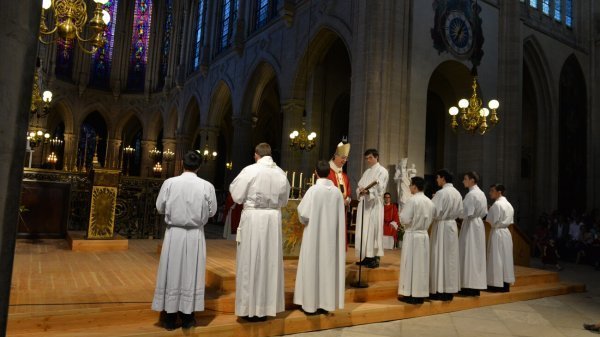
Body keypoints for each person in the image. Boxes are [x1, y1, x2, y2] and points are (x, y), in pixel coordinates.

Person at [152, 150, 217, 330]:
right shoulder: (207, 186)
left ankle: (170, 318)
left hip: (175, 233)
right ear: (199, 166)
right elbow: (212, 212)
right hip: (195, 234)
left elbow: (159, 207)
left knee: (172, 272)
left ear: (182, 163)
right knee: (191, 273)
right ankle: (188, 317)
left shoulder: (170, 183)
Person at [229, 143, 290, 321]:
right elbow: (285, 200)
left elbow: (237, 195)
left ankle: (249, 308)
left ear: (256, 155)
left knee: (250, 261)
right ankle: (264, 308)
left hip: (254, 218)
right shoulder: (280, 173)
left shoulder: (250, 170)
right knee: (269, 262)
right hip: (272, 220)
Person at [294, 160, 346, 314]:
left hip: (314, 235)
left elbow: (303, 213)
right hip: (330, 238)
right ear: (329, 173)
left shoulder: (313, 190)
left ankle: (310, 304)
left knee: (312, 265)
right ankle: (325, 303)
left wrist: (305, 221)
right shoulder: (337, 192)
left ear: (315, 172)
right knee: (327, 267)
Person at [398, 176, 434, 304]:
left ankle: (410, 293)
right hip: (423, 235)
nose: (409, 187)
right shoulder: (429, 201)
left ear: (414, 186)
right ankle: (419, 293)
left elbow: (405, 219)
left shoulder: (412, 200)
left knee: (411, 264)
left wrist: (401, 218)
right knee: (421, 266)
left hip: (413, 235)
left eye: (410, 185)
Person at [429, 169, 463, 301]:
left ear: (443, 178)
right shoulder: (457, 193)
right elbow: (461, 212)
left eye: (438, 178)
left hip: (442, 226)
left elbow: (434, 211)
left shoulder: (441, 193)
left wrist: (432, 200)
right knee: (450, 258)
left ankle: (439, 289)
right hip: (452, 226)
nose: (437, 180)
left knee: (439, 255)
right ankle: (449, 290)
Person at [355, 148, 389, 269]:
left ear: (376, 157)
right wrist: (360, 190)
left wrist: (368, 191)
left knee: (373, 231)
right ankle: (366, 256)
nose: (368, 160)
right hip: (365, 205)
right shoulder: (367, 172)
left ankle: (375, 258)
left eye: (370, 158)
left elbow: (380, 188)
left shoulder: (382, 171)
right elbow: (359, 185)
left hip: (374, 205)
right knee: (364, 231)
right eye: (366, 158)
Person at [458, 171, 488, 297]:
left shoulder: (471, 195)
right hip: (479, 225)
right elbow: (485, 212)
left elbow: (465, 213)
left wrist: (457, 213)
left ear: (472, 180)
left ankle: (468, 286)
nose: (463, 181)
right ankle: (475, 286)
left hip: (470, 225)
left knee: (469, 254)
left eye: (465, 179)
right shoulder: (481, 193)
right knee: (477, 256)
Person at [486, 184, 515, 293]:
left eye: (492, 191)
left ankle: (496, 284)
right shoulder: (509, 205)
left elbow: (491, 221)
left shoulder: (497, 205)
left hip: (497, 232)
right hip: (506, 232)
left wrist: (489, 211)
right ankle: (505, 284)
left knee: (496, 258)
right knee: (506, 258)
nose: (490, 193)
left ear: (499, 192)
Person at [327, 142, 351, 206]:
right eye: (343, 157)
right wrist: (340, 201)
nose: (345, 160)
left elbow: (348, 193)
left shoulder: (345, 176)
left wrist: (347, 200)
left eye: (346, 158)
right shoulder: (327, 172)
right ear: (335, 156)